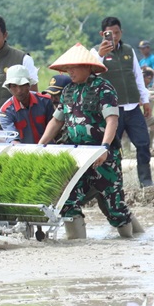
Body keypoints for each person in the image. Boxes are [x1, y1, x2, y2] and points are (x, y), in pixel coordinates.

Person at [37, 44, 137, 239]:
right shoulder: (67, 91)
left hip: (103, 157)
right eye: (68, 68)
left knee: (114, 207)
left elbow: (112, 119)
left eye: (74, 67)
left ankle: (132, 239)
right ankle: (77, 247)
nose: (70, 72)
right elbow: (56, 120)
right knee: (68, 202)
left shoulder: (103, 88)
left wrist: (104, 147)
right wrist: (41, 145)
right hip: (78, 157)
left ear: (88, 67)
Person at [94, 17, 154, 188]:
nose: (113, 36)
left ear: (122, 32)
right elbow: (93, 74)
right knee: (113, 149)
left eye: (117, 32)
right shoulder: (95, 53)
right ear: (102, 34)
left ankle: (146, 181)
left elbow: (137, 76)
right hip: (113, 110)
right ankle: (113, 183)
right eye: (109, 33)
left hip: (133, 107)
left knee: (143, 143)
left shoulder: (129, 50)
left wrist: (145, 100)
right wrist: (100, 55)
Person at [0, 65, 53, 143]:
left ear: (29, 85)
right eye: (14, 86)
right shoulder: (5, 112)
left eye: (22, 85)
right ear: (9, 88)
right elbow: (12, 139)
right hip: (23, 152)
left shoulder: (46, 101)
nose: (19, 90)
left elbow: (56, 129)